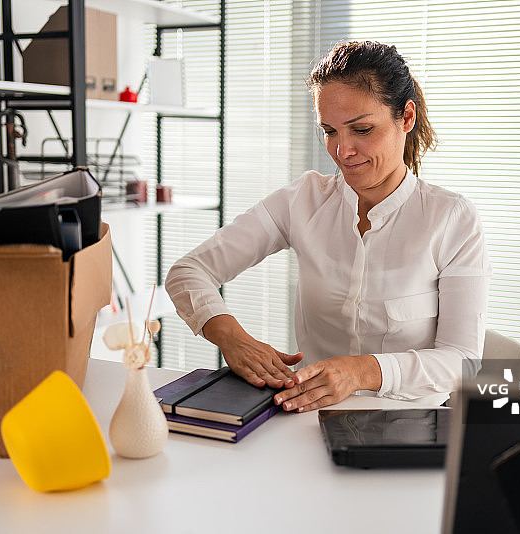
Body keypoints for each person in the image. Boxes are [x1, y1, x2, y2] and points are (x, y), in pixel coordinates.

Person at [165, 41, 490, 413]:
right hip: (309, 418)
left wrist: (363, 372)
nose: (342, 151)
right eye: (330, 131)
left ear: (407, 118)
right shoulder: (302, 200)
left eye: (362, 129)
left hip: (412, 425)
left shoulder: (452, 218)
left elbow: (462, 362)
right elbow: (187, 272)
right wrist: (231, 337)